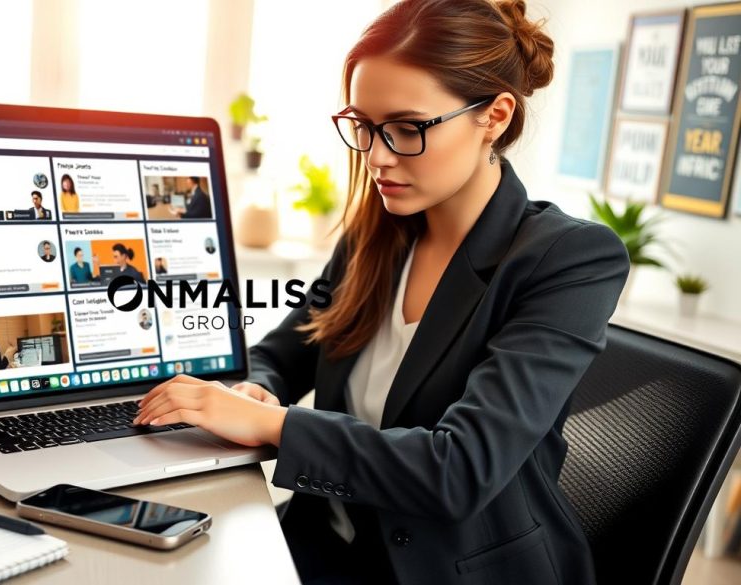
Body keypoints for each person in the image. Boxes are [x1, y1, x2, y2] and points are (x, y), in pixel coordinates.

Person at [132, 2, 629, 584]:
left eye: (407, 128)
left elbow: (459, 469)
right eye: (364, 127)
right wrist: (256, 391)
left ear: (493, 116)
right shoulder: (380, 233)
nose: (377, 157)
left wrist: (274, 425)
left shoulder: (569, 258)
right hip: (324, 548)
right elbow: (282, 353)